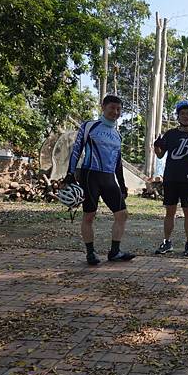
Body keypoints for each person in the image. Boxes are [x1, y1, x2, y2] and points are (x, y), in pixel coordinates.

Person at [64, 94, 135, 265]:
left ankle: (115, 252)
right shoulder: (89, 126)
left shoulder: (117, 135)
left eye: (119, 109)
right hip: (90, 175)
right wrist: (70, 174)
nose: (115, 112)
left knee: (122, 214)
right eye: (112, 108)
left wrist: (123, 185)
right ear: (103, 107)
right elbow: (77, 150)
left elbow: (117, 163)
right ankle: (90, 253)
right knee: (89, 215)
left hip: (109, 178)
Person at [153, 100, 188, 256]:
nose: (185, 116)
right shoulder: (170, 134)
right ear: (178, 116)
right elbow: (160, 155)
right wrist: (156, 146)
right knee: (170, 211)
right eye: (182, 113)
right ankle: (167, 242)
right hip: (170, 177)